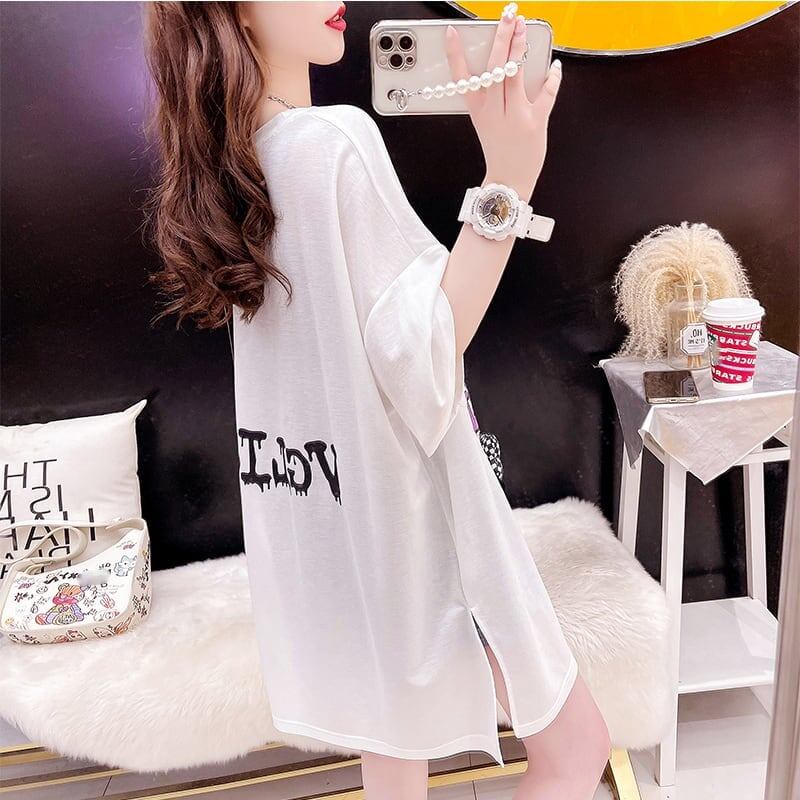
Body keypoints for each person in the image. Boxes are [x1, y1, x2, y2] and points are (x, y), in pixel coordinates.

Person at [144, 2, 611, 798]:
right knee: (575, 750)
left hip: (330, 538)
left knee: (396, 767)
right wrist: (509, 178)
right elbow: (426, 348)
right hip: (422, 532)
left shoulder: (237, 169)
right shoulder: (332, 144)